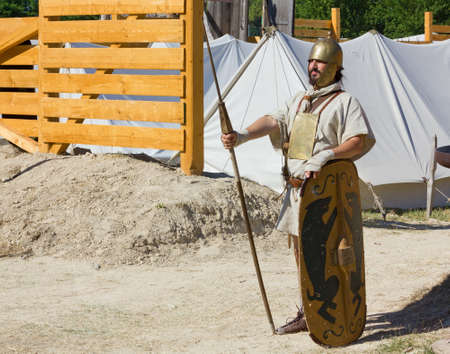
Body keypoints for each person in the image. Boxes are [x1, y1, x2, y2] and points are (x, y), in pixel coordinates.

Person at [221, 38, 375, 335]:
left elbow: (358, 140)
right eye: (311, 62)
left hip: (325, 193)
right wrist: (241, 136)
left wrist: (328, 154)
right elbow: (273, 121)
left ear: (335, 68)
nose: (313, 67)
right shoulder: (300, 100)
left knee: (332, 254)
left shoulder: (345, 103)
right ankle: (311, 310)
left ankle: (339, 311)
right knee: (302, 253)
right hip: (297, 192)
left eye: (320, 63)